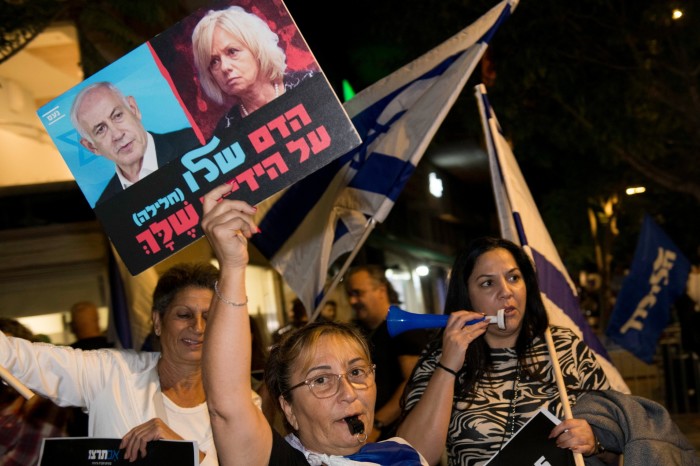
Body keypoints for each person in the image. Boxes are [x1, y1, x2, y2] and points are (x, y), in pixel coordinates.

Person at [200, 183, 429, 465]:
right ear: (289, 409)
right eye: (321, 380)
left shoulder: (402, 454)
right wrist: (233, 267)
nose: (348, 393)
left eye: (357, 371)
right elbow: (228, 407)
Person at [0, 262, 262, 465]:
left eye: (209, 316)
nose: (198, 327)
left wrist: (181, 452)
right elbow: (20, 357)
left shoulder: (245, 405)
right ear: (158, 322)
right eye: (184, 315)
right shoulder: (112, 374)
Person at [397, 237, 612, 466]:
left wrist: (595, 441)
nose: (506, 292)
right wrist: (448, 366)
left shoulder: (564, 347)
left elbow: (618, 441)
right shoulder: (440, 356)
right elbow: (411, 456)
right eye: (487, 283)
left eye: (513, 278)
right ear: (466, 295)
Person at [70, 81, 200, 205]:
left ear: (133, 109)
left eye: (117, 116)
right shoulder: (108, 206)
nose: (117, 135)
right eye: (101, 129)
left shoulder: (196, 141)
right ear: (92, 147)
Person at [191, 6, 315, 133]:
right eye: (214, 62)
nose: (224, 67)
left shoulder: (311, 84)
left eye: (232, 51)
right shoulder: (226, 132)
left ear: (256, 49)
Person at [345, 265, 433, 442]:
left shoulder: (404, 327)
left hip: (401, 438)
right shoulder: (359, 332)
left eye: (358, 293)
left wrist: (377, 424)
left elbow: (414, 383)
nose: (352, 301)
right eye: (349, 295)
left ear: (381, 290)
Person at [0, 318, 69, 466]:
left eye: (8, 350)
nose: (4, 359)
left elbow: (27, 456)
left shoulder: (45, 395)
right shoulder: (7, 394)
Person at [67, 301, 113, 437]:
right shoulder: (119, 350)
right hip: (117, 427)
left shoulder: (67, 356)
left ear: (72, 326)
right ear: (98, 321)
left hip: (82, 431)